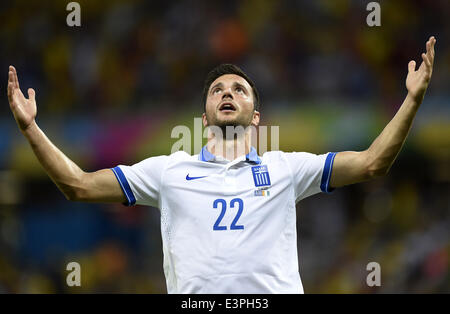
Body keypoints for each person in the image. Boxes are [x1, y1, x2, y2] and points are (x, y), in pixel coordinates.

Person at [6, 36, 436, 293]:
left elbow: (373, 163)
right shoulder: (168, 172)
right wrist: (30, 129)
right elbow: (77, 184)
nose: (228, 93)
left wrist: (412, 100)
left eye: (239, 89)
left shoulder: (286, 169)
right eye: (217, 89)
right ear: (206, 113)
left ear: (256, 115)